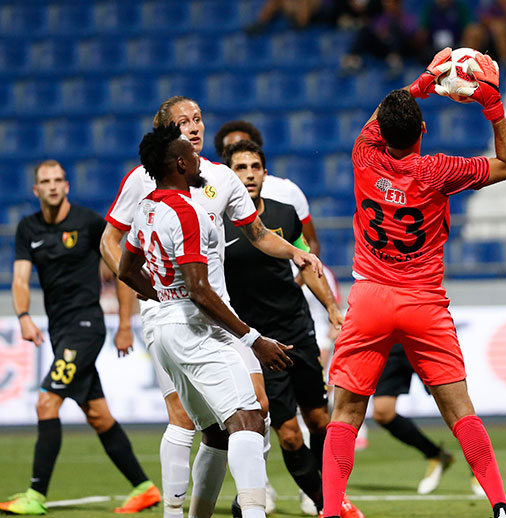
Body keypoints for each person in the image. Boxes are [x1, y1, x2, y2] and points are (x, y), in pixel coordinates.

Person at [321, 47, 506, 518]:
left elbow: (383, 114)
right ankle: (500, 506)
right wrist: (492, 106)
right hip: (423, 301)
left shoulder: (363, 156)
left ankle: (330, 512)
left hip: (369, 297)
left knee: (347, 414)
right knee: (459, 410)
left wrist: (423, 82)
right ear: (423, 131)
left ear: (381, 134)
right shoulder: (439, 171)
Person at [100, 96, 320, 518]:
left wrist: (295, 253)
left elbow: (257, 233)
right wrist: (155, 294)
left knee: (248, 413)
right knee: (192, 418)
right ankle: (201, 507)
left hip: (216, 315)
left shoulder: (220, 178)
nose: (195, 127)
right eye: (183, 121)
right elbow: (111, 243)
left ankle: (229, 501)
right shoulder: (145, 184)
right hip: (182, 314)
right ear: (165, 131)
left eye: (198, 118)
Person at [1, 160, 160, 515]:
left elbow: (123, 270)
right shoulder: (28, 228)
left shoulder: (89, 223)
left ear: (67, 186)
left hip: (86, 328)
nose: (53, 186)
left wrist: (123, 324)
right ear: (36, 189)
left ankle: (36, 495)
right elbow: (21, 280)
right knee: (98, 415)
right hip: (60, 331)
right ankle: (145, 488)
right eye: (45, 181)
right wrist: (24, 316)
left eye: (58, 180)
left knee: (46, 402)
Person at [222, 140, 362, 518]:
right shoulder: (216, 225)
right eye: (240, 167)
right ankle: (326, 504)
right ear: (228, 176)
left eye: (255, 166)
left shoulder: (284, 214)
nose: (249, 173)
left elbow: (305, 264)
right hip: (258, 342)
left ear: (265, 173)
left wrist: (332, 308)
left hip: (297, 330)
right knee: (287, 432)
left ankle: (324, 491)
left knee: (319, 419)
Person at [372, 344, 485, 496]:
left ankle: (479, 468)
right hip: (390, 342)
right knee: (382, 412)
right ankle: (436, 455)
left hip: (423, 338)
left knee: (454, 405)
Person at [213, 120, 321, 258]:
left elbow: (311, 242)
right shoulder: (215, 198)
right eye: (231, 149)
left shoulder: (287, 190)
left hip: (288, 277)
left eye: (245, 146)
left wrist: (298, 279)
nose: (241, 151)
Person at [464, 0, 506, 66]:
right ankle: (466, 66)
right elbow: (480, 16)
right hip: (487, 29)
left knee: (499, 29)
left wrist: (505, 3)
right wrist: (491, 22)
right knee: (473, 31)